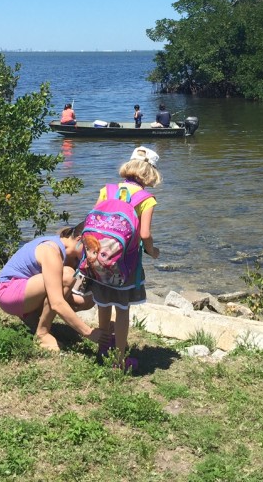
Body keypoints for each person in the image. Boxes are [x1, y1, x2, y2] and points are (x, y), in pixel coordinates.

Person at [87, 146, 162, 371]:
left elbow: (95, 221)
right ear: (150, 173)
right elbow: (145, 234)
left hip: (99, 258)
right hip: (125, 264)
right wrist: (152, 250)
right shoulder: (146, 199)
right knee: (122, 308)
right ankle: (119, 360)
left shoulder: (106, 190)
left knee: (103, 304)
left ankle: (102, 350)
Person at [0, 222, 111, 352]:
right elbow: (57, 302)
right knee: (67, 275)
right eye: (90, 249)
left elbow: (78, 291)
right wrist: (88, 332)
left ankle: (32, 319)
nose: (92, 255)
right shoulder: (51, 250)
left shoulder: (74, 259)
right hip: (8, 292)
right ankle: (42, 333)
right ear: (79, 240)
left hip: (28, 291)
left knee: (87, 300)